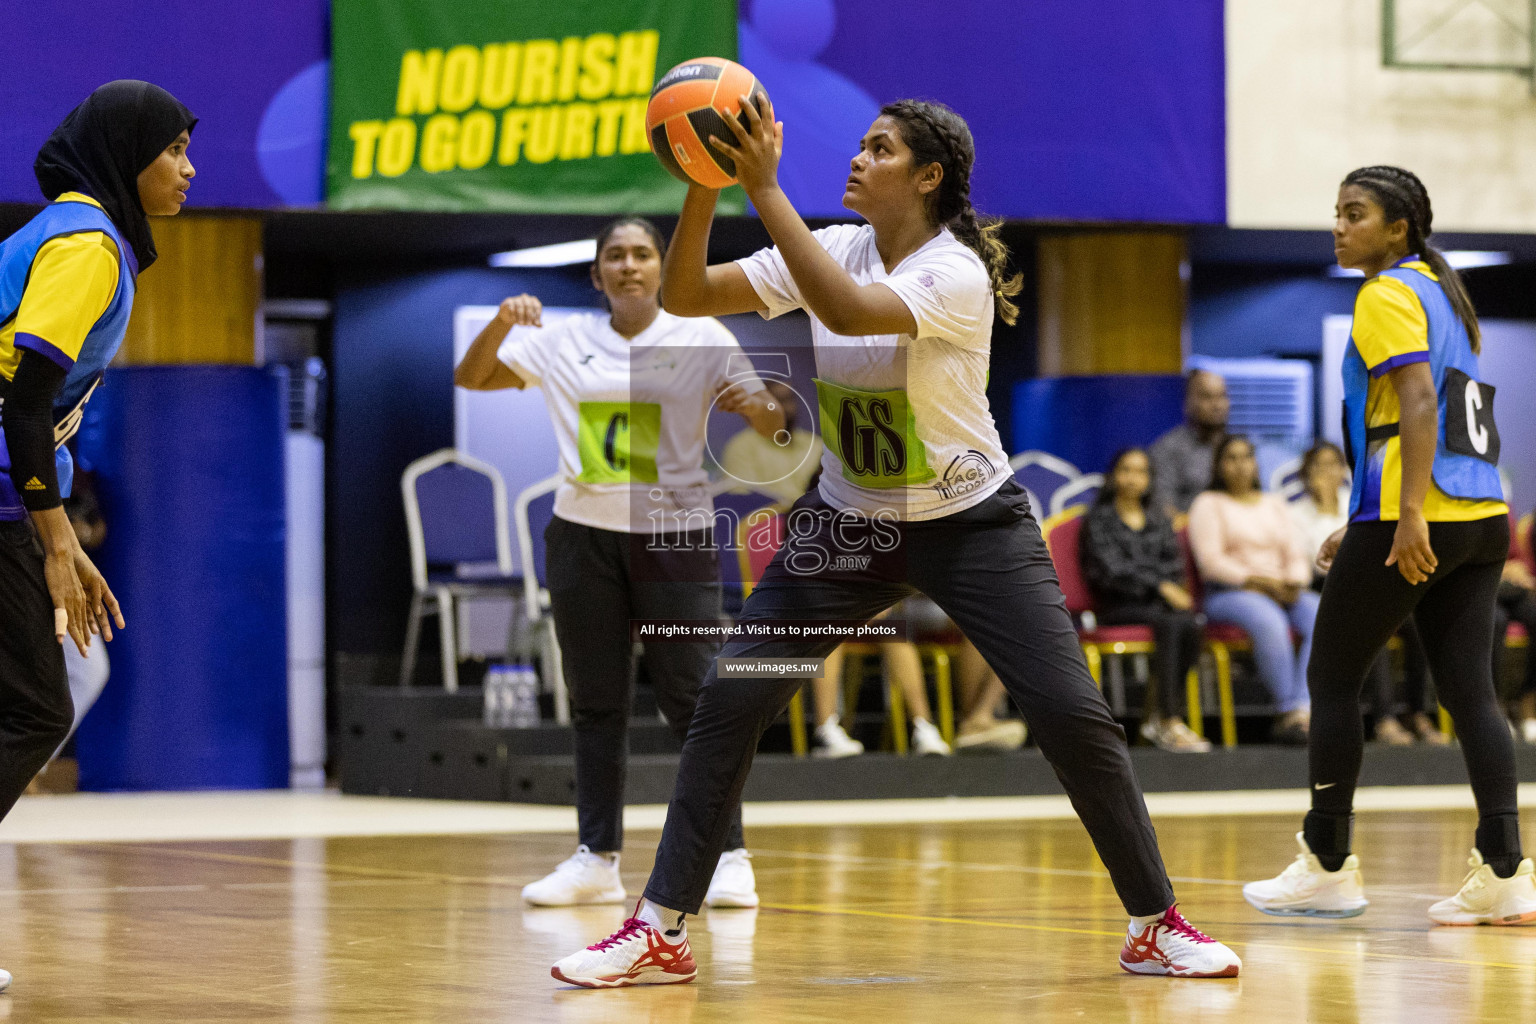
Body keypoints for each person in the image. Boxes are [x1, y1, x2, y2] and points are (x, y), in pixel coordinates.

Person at [551, 96, 1239, 987]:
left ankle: (1156, 923)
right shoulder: (832, 243)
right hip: (847, 529)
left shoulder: (952, 273)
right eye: (860, 144)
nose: (857, 159)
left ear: (928, 177)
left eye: (879, 149)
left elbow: (842, 314)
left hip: (972, 527)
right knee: (730, 698)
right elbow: (687, 293)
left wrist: (762, 188)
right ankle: (661, 928)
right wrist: (704, 186)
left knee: (1073, 715)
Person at [454, 216, 784, 910]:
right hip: (584, 538)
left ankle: (729, 855)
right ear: (597, 273)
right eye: (615, 255)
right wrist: (500, 323)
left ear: (662, 268)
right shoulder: (564, 339)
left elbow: (772, 423)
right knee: (595, 701)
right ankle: (596, 857)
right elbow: (473, 375)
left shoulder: (702, 335)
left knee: (692, 700)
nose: (630, 265)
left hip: (675, 539)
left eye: (642, 254)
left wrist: (759, 407)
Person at [1244, 166, 1536, 925]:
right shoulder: (1445, 295)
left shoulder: (1384, 294)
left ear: (1399, 227)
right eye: (1336, 213)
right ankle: (1506, 872)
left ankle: (1328, 862)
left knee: (1332, 680)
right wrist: (1366, 514)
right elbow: (1428, 416)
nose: (1339, 227)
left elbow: (1414, 404)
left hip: (1424, 515)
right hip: (1482, 514)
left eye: (1356, 214)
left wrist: (1403, 518)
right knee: (1471, 691)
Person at [0, 80, 195, 992]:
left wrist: (62, 535)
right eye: (176, 152)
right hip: (2, 506)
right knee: (39, 709)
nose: (190, 171)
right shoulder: (85, 246)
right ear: (128, 156)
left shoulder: (75, 236)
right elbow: (23, 398)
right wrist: (53, 541)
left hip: (16, 500)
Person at [1288, 440, 1440, 747]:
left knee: (1418, 622)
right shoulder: (1295, 512)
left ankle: (1417, 712)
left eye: (1333, 464)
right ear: (1306, 473)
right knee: (1372, 625)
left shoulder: (1355, 502)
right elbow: (1312, 560)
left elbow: (1378, 543)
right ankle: (1384, 720)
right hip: (1326, 588)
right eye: (1319, 465)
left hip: (1372, 580)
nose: (1327, 472)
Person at [1188, 435, 1319, 744]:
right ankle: (1287, 711)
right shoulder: (1208, 504)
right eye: (1231, 458)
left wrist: (1294, 581)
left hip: (1282, 588)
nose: (1240, 465)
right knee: (1269, 620)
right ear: (1218, 466)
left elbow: (1295, 554)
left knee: (1322, 613)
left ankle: (1304, 708)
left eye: (1246, 457)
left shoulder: (1273, 503)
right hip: (1229, 593)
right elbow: (1211, 563)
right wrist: (1259, 582)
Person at [1081, 448, 1209, 752]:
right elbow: (1111, 572)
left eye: (1141, 471)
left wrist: (1161, 585)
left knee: (1190, 623)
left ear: (1150, 479)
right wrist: (1159, 586)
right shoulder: (1098, 520)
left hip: (1156, 608)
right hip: (1116, 605)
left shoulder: (1159, 520)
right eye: (1126, 470)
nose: (1132, 478)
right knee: (1172, 619)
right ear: (1113, 477)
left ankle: (1162, 718)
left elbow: (1173, 567)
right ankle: (1168, 719)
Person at [719, 378, 823, 505]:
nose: (788, 408)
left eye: (790, 399)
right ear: (762, 406)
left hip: (811, 519)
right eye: (779, 401)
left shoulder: (816, 445)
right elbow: (743, 498)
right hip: (766, 520)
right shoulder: (742, 446)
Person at [1149, 370, 1230, 518]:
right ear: (1188, 403)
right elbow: (1163, 507)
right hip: (1187, 533)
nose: (1217, 405)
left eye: (1222, 396)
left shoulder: (1235, 448)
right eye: (1207, 397)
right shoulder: (1169, 447)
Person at [1492, 516, 1536, 743]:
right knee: (1494, 622)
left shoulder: (1503, 508)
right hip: (1483, 588)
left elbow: (1519, 556)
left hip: (1510, 587)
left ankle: (1529, 701)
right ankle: (1494, 707)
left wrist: (1518, 568)